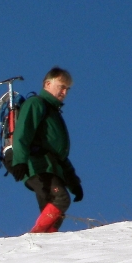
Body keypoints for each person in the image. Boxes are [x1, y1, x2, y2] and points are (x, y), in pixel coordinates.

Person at [12, 67, 82, 233]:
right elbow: (23, 133)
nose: (64, 92)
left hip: (50, 167)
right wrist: (20, 161)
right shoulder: (36, 104)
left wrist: (73, 182)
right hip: (37, 165)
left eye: (67, 89)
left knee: (53, 212)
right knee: (61, 199)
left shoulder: (53, 112)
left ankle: (45, 247)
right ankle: (35, 237)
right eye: (61, 86)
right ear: (47, 84)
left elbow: (59, 154)